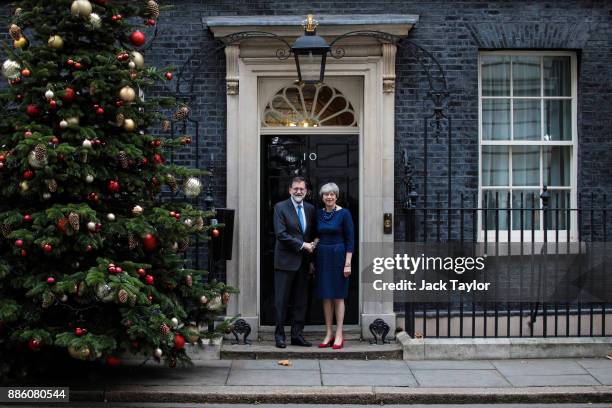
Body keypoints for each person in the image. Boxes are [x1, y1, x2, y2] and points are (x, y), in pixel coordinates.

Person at [272, 176, 316, 348]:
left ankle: (297, 335)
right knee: (281, 302)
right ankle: (279, 336)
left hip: (304, 263)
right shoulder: (280, 207)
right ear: (290, 190)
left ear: (306, 191)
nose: (299, 191)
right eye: (295, 188)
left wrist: (312, 252)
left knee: (301, 301)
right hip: (284, 262)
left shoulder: (311, 209)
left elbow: (311, 234)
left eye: (302, 189)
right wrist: (303, 245)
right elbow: (280, 234)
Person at [314, 182, 354, 350]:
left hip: (339, 256)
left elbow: (350, 240)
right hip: (322, 256)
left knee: (338, 296)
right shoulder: (318, 214)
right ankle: (329, 332)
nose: (329, 197)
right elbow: (316, 235)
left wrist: (347, 263)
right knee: (326, 296)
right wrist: (313, 245)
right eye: (326, 194)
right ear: (322, 197)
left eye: (332, 194)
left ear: (336, 196)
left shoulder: (344, 214)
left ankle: (339, 333)